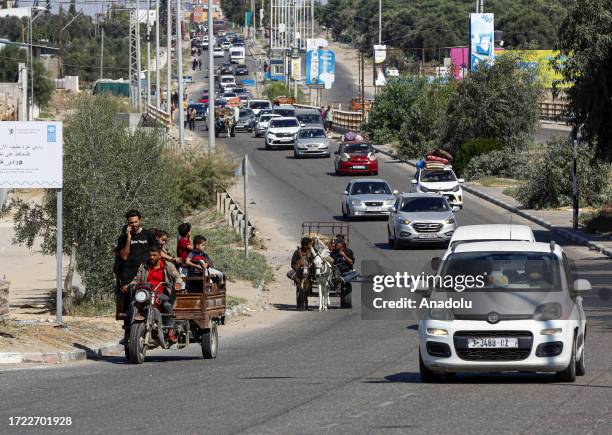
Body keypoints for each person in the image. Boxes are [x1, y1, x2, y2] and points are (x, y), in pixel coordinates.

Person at [128, 244, 183, 343]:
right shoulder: (144, 266)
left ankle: (170, 330)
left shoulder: (168, 266)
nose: (151, 257)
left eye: (154, 255)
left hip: (162, 293)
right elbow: (137, 279)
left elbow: (177, 277)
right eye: (150, 255)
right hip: (146, 293)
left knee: (166, 305)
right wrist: (130, 285)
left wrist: (178, 284)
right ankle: (130, 330)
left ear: (160, 255)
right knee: (133, 304)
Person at [116, 210, 155, 343]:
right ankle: (128, 333)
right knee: (129, 305)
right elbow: (124, 256)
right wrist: (128, 238)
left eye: (136, 222)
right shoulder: (123, 237)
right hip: (129, 275)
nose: (133, 225)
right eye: (131, 223)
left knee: (151, 300)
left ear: (140, 220)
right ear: (127, 223)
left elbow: (155, 253)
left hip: (146, 273)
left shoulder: (148, 235)